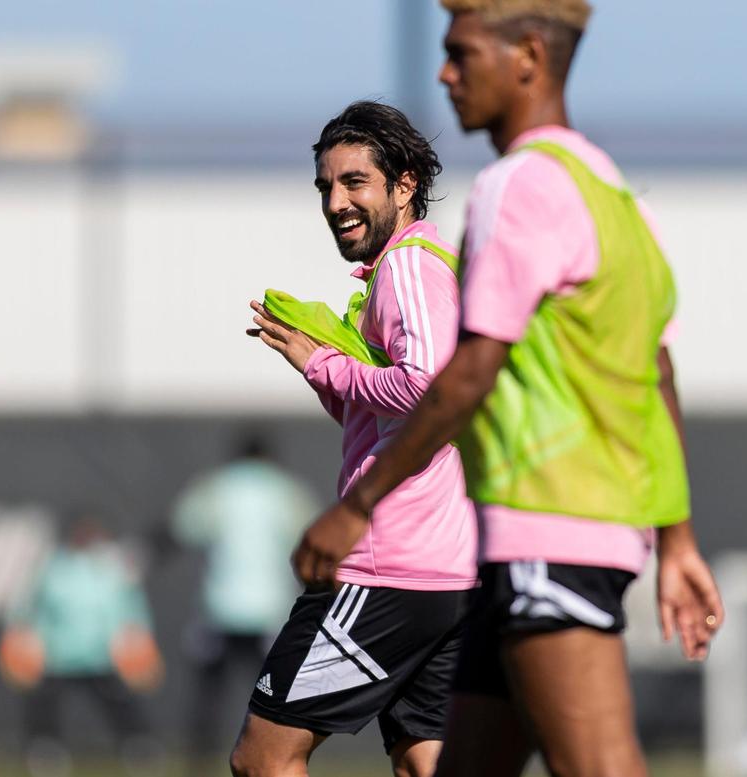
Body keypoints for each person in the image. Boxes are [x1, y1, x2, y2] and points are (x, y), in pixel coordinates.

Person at [290, 4, 725, 777]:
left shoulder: (517, 184)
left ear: (526, 54)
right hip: (524, 547)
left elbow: (465, 371)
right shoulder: (618, 196)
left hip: (549, 531)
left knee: (597, 765)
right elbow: (655, 373)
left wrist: (358, 505)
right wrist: (678, 537)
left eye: (460, 54)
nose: (444, 74)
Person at [234, 101, 478, 777]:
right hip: (450, 570)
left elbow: (426, 388)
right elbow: (414, 418)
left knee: (263, 757)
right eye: (326, 186)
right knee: (423, 763)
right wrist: (327, 376)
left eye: (354, 182)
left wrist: (323, 362)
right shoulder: (433, 268)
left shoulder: (407, 265)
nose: (336, 201)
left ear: (404, 186)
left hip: (389, 565)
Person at [168, 433, 317, 766]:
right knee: (276, 695)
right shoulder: (285, 489)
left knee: (209, 696)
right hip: (270, 611)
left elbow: (183, 528)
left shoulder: (216, 487)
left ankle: (199, 762)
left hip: (219, 608)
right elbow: (313, 536)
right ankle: (285, 757)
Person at [0, 508, 161, 776]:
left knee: (122, 707)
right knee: (43, 709)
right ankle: (45, 755)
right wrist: (18, 645)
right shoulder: (52, 569)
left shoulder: (112, 568)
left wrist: (140, 648)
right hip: (58, 657)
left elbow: (133, 612)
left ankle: (140, 751)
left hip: (100, 656)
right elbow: (24, 611)